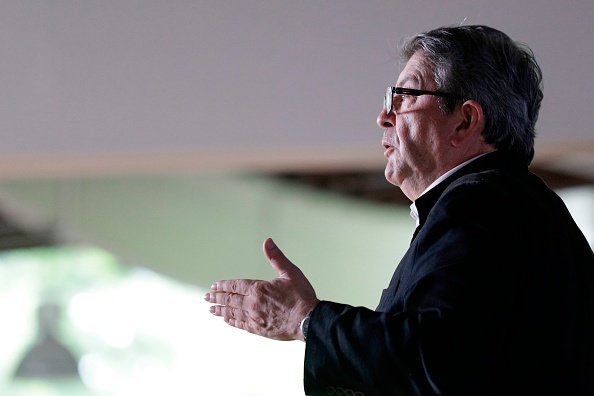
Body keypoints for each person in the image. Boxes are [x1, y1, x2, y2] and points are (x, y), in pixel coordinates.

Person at [205, 25, 594, 395]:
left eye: (403, 97)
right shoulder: (522, 205)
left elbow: (438, 361)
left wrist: (306, 319)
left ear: (464, 120)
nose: (383, 116)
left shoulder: (480, 202)